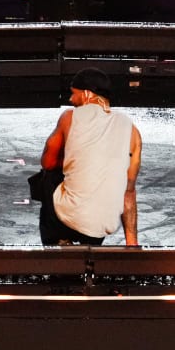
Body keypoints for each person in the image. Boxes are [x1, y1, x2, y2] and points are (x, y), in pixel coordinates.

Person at [37, 68, 143, 245]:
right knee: (111, 184)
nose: (71, 100)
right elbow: (129, 192)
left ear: (86, 94)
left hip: (67, 219)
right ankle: (90, 245)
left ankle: (58, 242)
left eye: (73, 94)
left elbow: (47, 162)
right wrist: (132, 243)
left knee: (46, 178)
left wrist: (73, 158)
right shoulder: (132, 131)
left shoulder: (70, 116)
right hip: (101, 226)